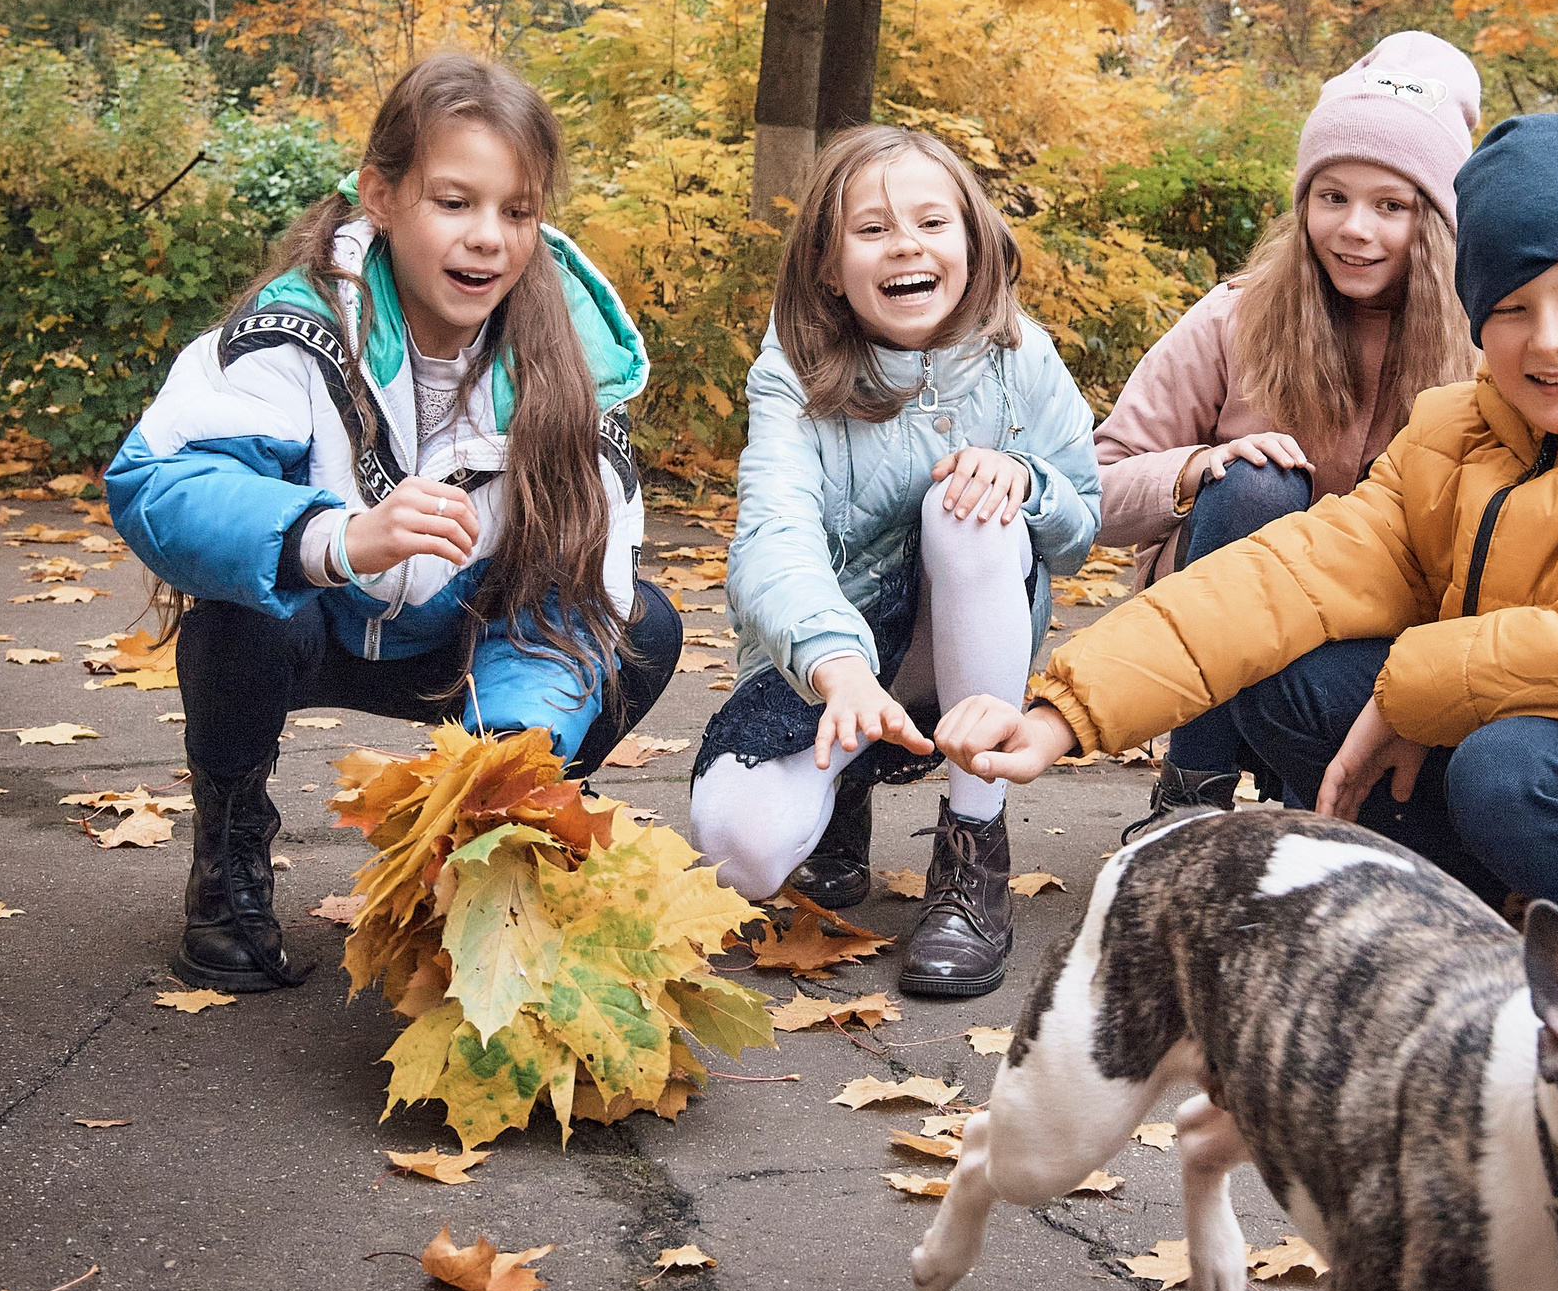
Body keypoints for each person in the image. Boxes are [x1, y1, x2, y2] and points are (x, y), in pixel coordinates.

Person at [935, 113, 1558, 969]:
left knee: (1511, 770)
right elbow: (1276, 579)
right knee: (1287, 674)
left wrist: (1414, 687)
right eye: (1511, 307)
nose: (1548, 340)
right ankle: (1494, 923)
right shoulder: (1455, 432)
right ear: (1477, 318)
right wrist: (1060, 713)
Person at [107, 54, 682, 993]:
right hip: (318, 623)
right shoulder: (296, 328)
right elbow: (161, 482)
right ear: (380, 196)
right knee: (238, 609)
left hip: (466, 638)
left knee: (642, 624)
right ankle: (229, 853)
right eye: (454, 202)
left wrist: (500, 782)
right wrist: (336, 537)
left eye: (517, 211)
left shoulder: (574, 368)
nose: (487, 237)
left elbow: (577, 600)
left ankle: (505, 848)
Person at [688, 124, 1100, 998]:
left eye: (931, 222)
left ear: (972, 240)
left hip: (959, 644)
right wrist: (836, 668)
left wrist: (1027, 481)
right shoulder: (793, 374)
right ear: (828, 266)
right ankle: (838, 798)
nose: (907, 244)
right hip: (836, 660)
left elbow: (1079, 527)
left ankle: (972, 851)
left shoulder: (1021, 356)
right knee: (739, 852)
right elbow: (773, 537)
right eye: (872, 229)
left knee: (969, 505)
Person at [1093, 32, 1480, 834]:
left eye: (1391, 205)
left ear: (1437, 220)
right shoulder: (1237, 317)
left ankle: (1324, 802)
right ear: (1304, 202)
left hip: (1365, 648)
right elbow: (1090, 489)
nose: (1355, 229)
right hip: (1220, 627)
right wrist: (1195, 469)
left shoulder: (1480, 349)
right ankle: (1192, 791)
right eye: (1332, 197)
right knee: (1257, 483)